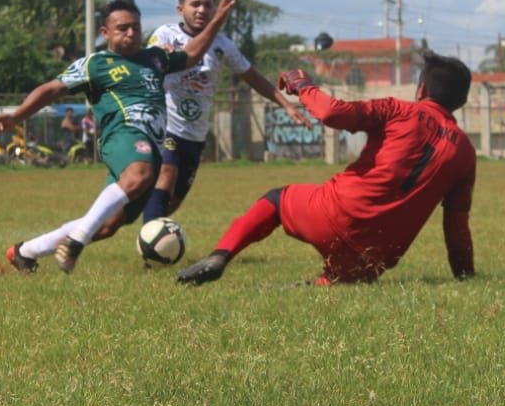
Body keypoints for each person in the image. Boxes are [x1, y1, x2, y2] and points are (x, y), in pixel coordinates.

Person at [176, 51, 478, 286]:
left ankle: (220, 255)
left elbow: (332, 113)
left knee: (277, 200)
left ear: (421, 89)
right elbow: (456, 226)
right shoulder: (465, 152)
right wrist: (465, 276)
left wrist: (302, 85)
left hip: (333, 215)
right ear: (462, 101)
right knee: (340, 282)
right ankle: (313, 287)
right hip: (376, 254)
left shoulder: (398, 110)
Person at [0, 0, 236, 274]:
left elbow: (192, 55)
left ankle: (24, 252)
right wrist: (18, 116)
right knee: (139, 175)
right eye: (123, 28)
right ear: (106, 32)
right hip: (123, 136)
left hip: (151, 148)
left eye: (135, 27)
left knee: (108, 224)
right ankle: (76, 242)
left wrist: (217, 19)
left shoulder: (155, 58)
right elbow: (51, 89)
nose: (131, 33)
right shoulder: (95, 64)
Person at [141, 0, 312, 224]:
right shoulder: (165, 35)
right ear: (181, 9)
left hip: (195, 134)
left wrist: (286, 104)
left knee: (173, 201)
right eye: (195, 4)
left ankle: (154, 232)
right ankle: (150, 249)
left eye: (207, 5)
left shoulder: (223, 45)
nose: (201, 10)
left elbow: (252, 76)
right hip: (164, 125)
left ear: (215, 9)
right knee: (166, 173)